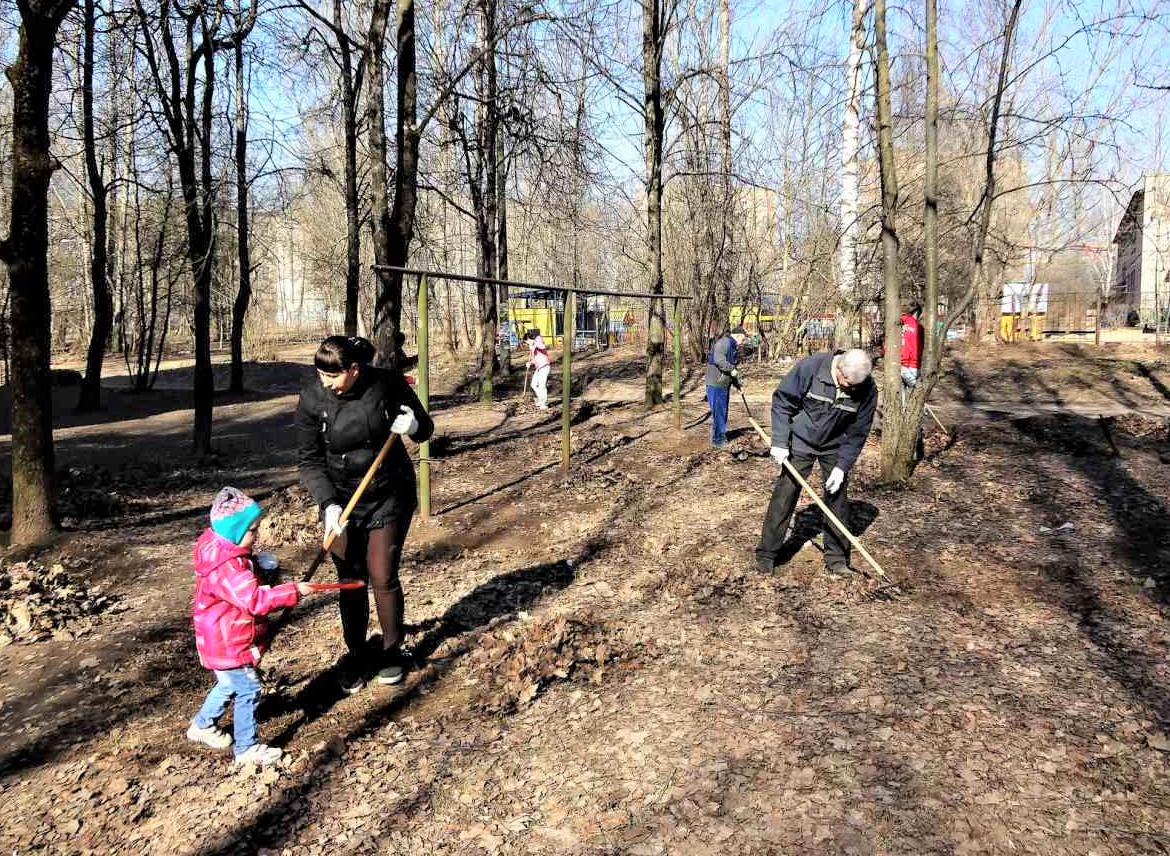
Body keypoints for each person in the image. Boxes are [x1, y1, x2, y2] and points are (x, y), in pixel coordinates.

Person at [296, 335, 434, 694]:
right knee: (351, 579)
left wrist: (414, 426)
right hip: (341, 500)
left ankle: (392, 651)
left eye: (333, 376)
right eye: (320, 374)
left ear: (354, 369)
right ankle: (356, 653)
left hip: (388, 494)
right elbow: (309, 460)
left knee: (382, 574)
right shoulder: (312, 398)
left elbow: (425, 428)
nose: (325, 382)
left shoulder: (386, 384)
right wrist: (328, 504)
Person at [188, 487, 319, 767]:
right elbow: (254, 600)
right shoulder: (228, 568)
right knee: (248, 687)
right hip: (227, 641)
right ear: (234, 531)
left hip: (218, 635)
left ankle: (201, 725)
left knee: (227, 684)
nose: (257, 535)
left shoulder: (221, 549)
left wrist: (256, 568)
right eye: (252, 530)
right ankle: (246, 748)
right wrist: (293, 591)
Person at [754, 348, 877, 576]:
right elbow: (782, 402)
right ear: (839, 369)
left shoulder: (867, 389)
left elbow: (859, 432)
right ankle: (767, 554)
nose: (852, 390)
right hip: (801, 440)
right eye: (848, 384)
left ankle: (837, 559)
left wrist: (842, 466)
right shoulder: (811, 368)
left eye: (856, 386)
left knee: (838, 499)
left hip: (835, 445)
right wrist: (780, 441)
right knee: (785, 494)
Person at [704, 325, 748, 447]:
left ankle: (720, 437)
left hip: (723, 384)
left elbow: (732, 368)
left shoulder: (733, 346)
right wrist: (732, 370)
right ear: (739, 336)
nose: (743, 341)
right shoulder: (723, 343)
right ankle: (718, 441)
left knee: (722, 411)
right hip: (716, 383)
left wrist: (738, 385)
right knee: (719, 412)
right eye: (743, 339)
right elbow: (720, 361)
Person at [899, 301, 926, 459]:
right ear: (918, 313)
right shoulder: (919, 326)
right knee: (918, 406)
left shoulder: (898, 322)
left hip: (897, 366)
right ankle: (917, 445)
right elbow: (921, 347)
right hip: (913, 365)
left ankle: (902, 444)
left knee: (902, 408)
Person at [525, 328, 551, 410]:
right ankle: (541, 399)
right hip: (539, 368)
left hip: (544, 366)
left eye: (526, 341)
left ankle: (544, 403)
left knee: (541, 385)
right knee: (533, 384)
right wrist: (530, 363)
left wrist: (535, 343)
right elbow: (535, 359)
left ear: (530, 339)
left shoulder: (538, 341)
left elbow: (542, 346)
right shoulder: (532, 347)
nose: (526, 343)